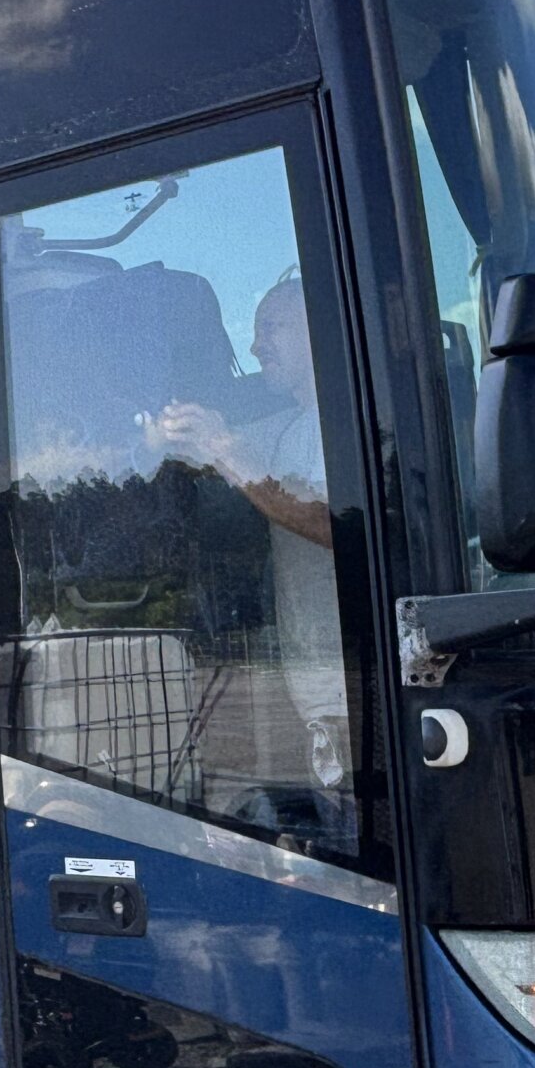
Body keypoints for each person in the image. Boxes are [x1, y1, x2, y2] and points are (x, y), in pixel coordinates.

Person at [145, 276, 349, 767]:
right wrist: (161, 436)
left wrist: (225, 448)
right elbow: (212, 452)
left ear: (317, 330)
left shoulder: (341, 424)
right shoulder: (288, 428)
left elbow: (339, 527)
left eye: (271, 328)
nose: (256, 348)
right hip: (315, 684)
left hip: (351, 684)